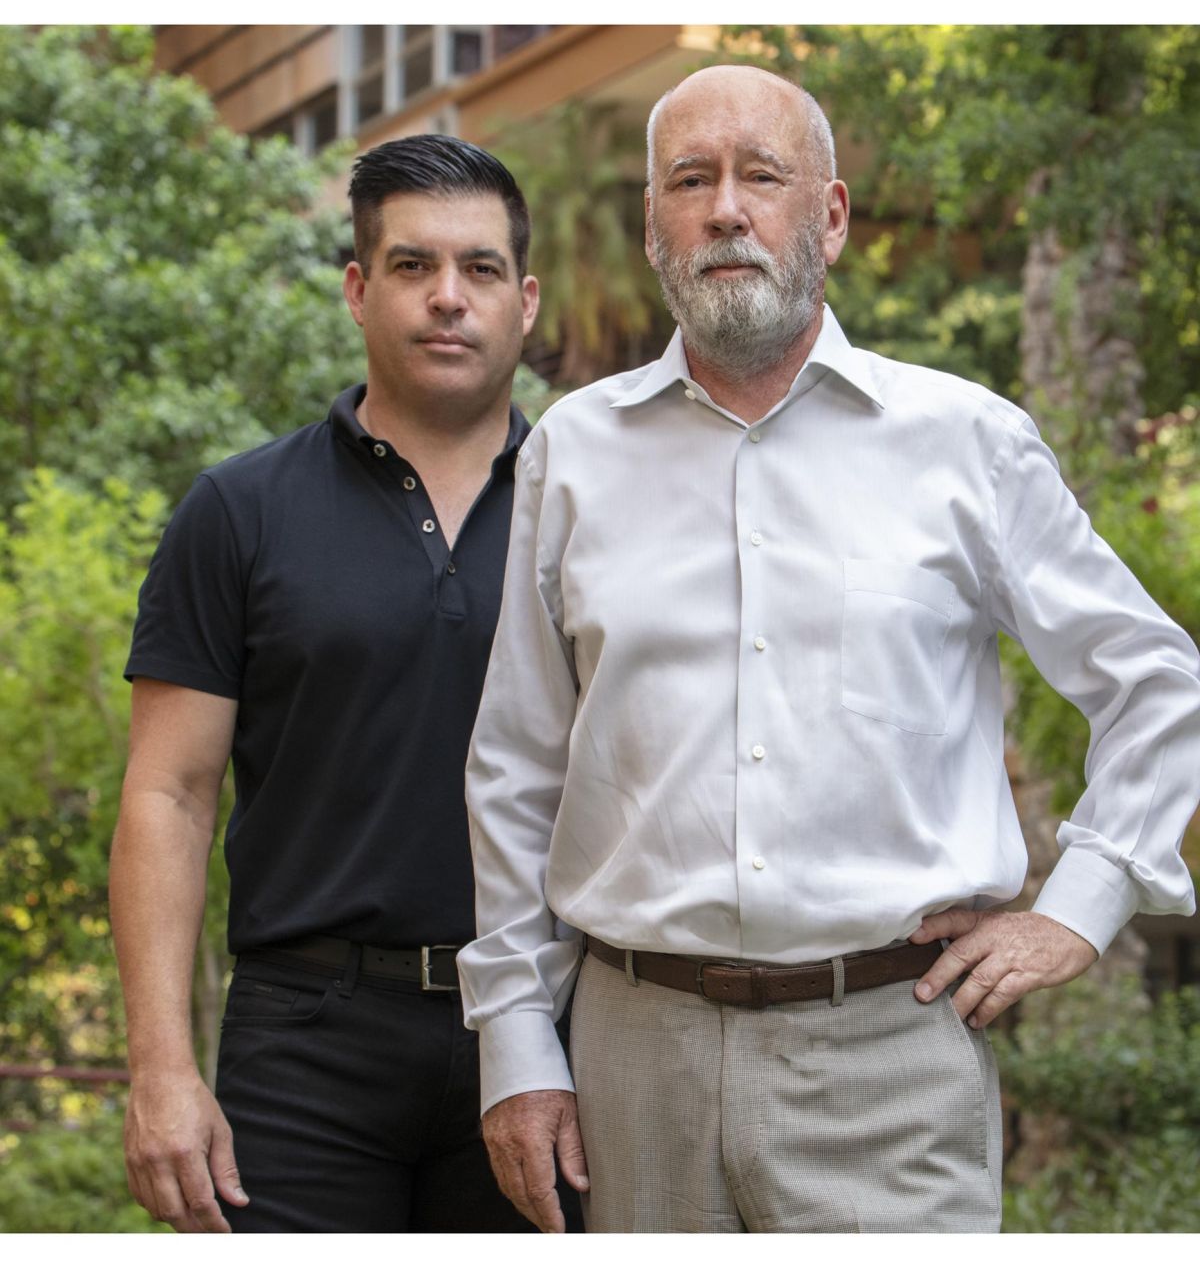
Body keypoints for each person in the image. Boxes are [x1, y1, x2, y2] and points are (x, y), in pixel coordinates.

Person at [456, 66, 1200, 1233]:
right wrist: (515, 1041)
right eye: (690, 181)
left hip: (891, 1060)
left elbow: (1159, 682)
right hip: (628, 1061)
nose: (725, 210)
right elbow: (515, 767)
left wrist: (1081, 903)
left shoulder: (967, 443)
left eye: (763, 175)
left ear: (833, 216)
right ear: (656, 228)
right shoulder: (573, 456)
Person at [109, 134, 575, 1233]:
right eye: (413, 267)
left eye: (481, 269)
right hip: (304, 1036)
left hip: (545, 1028)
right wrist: (160, 1067)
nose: (448, 298)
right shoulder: (239, 510)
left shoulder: (594, 509)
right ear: (359, 291)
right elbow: (167, 795)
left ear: (527, 300)